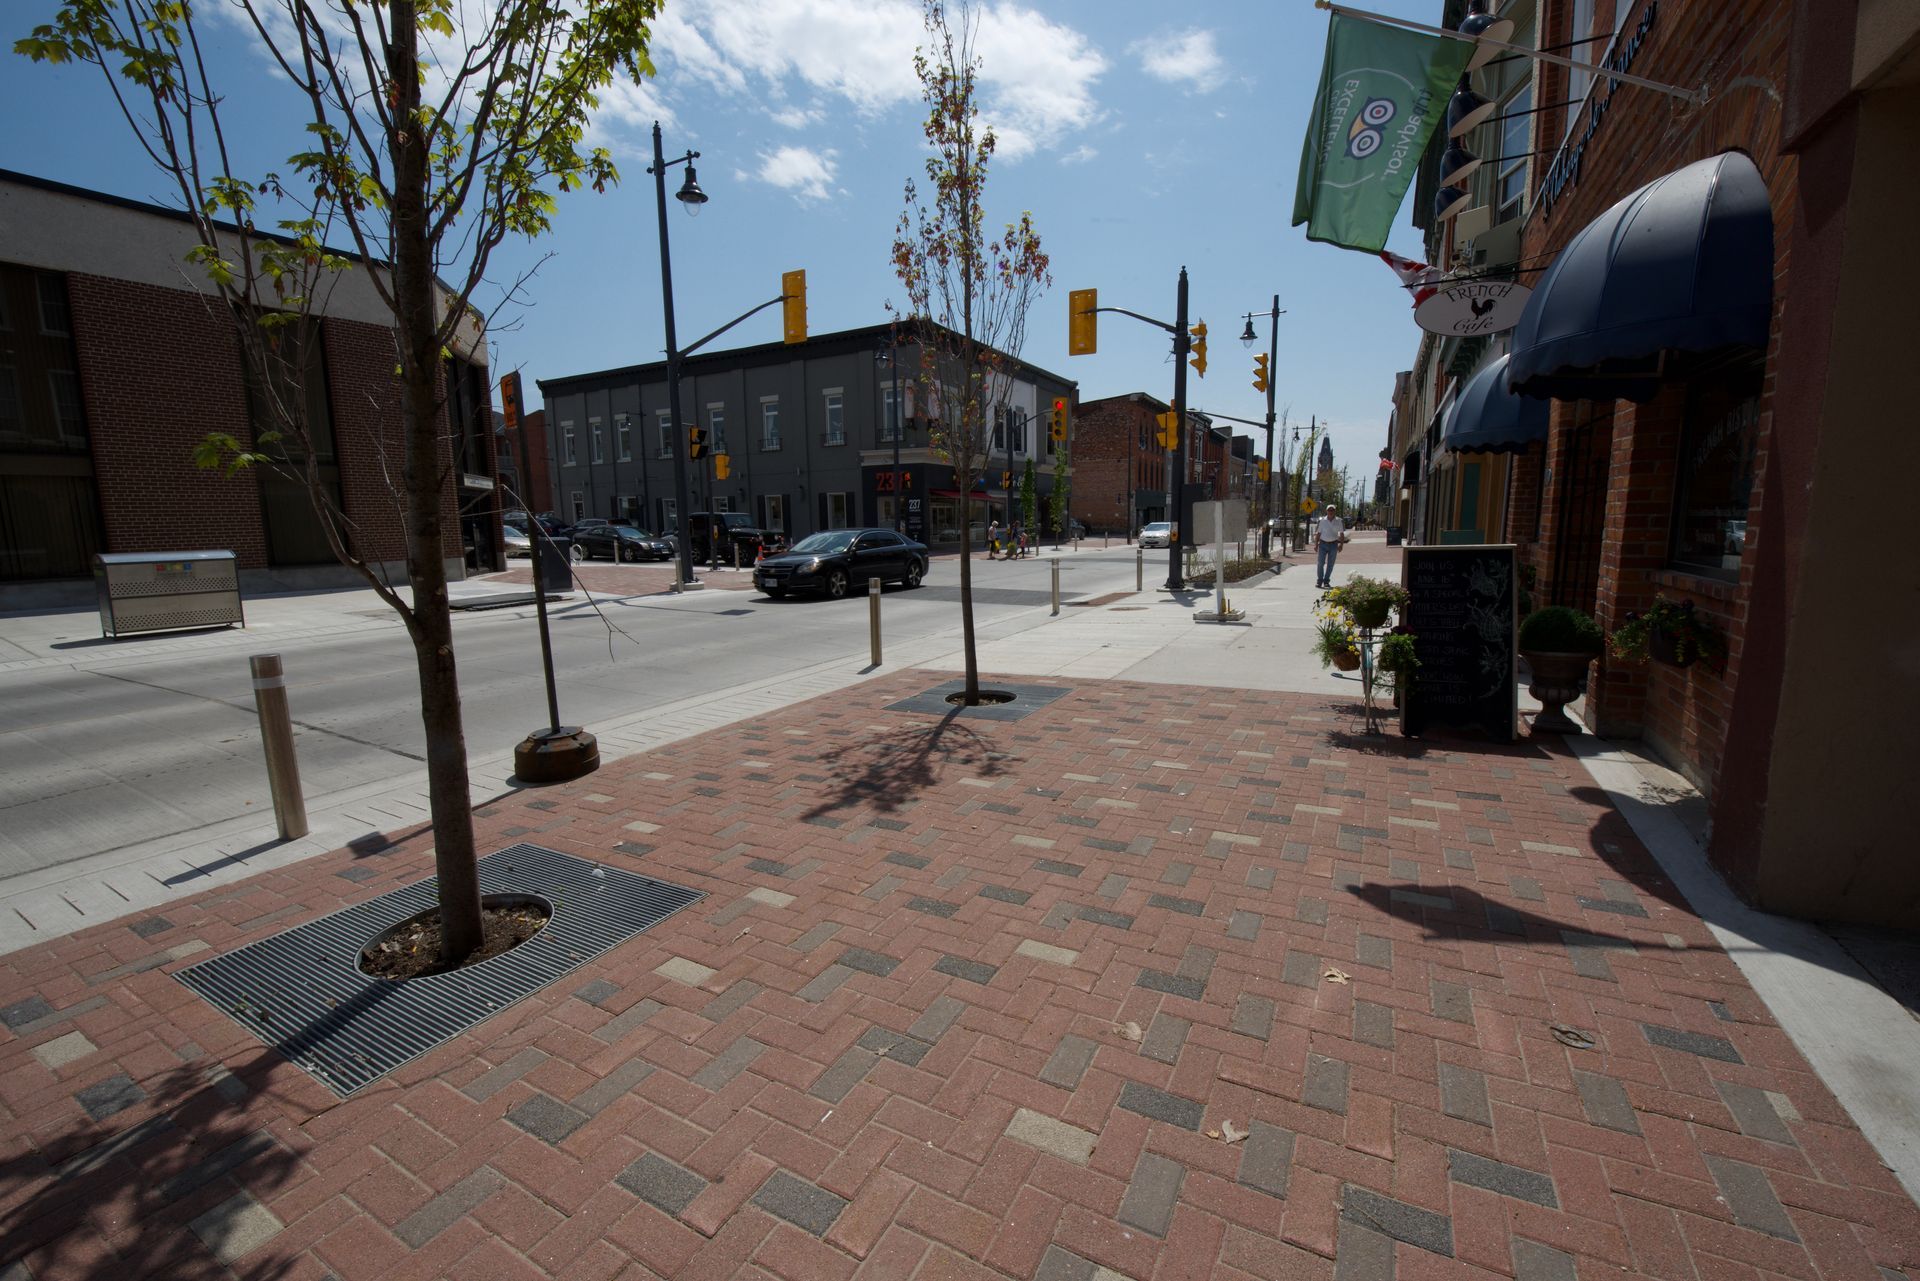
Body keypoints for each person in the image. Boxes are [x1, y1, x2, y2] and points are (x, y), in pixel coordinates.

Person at [1315, 504, 1345, 589]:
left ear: (1335, 511)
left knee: (1330, 564)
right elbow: (1319, 533)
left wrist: (1341, 545)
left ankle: (1326, 581)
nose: (1331, 512)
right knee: (1320, 563)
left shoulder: (1339, 521)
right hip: (1323, 544)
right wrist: (1316, 545)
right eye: (1329, 510)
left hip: (1333, 544)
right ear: (1326, 511)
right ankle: (1319, 581)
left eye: (1332, 510)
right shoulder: (1322, 521)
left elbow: (1341, 534)